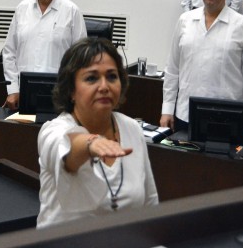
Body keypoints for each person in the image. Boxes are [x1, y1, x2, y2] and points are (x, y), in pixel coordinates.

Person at [37, 37, 158, 228]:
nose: (104, 87)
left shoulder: (132, 128)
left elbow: (150, 205)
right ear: (71, 90)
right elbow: (66, 147)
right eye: (91, 78)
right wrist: (90, 144)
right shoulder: (53, 131)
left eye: (111, 76)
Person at [161, 0, 243, 131]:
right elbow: (172, 69)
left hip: (227, 118)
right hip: (185, 115)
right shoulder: (185, 21)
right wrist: (167, 109)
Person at [2, 0, 87, 110]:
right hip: (24, 92)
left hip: (60, 94)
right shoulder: (22, 9)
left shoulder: (71, 11)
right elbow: (9, 52)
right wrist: (13, 89)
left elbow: (81, 58)